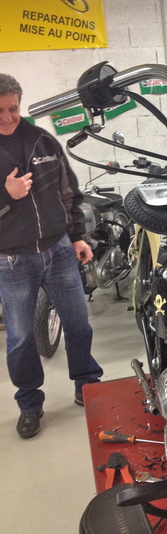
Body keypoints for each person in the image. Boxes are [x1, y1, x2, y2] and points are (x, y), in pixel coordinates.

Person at [0, 73, 102, 439]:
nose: (8, 118)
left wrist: (77, 237)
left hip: (58, 250)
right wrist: (6, 194)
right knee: (20, 338)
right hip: (12, 259)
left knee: (79, 324)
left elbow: (68, 192)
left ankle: (87, 384)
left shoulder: (42, 140)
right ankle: (30, 403)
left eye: (13, 108)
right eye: (0, 111)